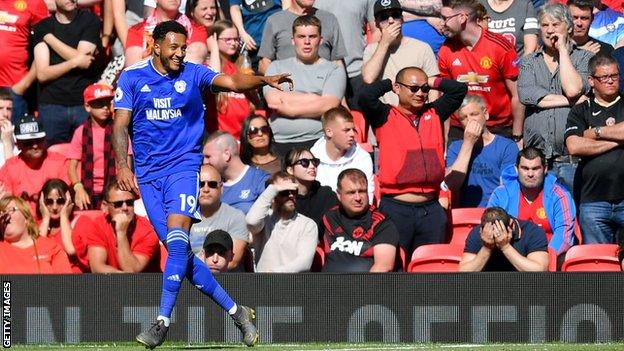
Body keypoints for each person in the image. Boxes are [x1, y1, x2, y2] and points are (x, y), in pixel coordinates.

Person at [113, 20, 290, 348]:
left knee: (179, 245)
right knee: (182, 256)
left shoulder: (194, 73)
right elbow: (120, 126)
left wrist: (263, 79)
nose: (180, 53)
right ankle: (238, 312)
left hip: (183, 168)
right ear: (155, 45)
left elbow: (233, 79)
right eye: (173, 47)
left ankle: (162, 321)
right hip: (149, 176)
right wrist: (123, 165)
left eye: (183, 47)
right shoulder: (133, 77)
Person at [358, 66, 467, 257]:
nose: (421, 93)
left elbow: (459, 89)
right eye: (414, 88)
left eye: (425, 89)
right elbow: (364, 97)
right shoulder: (384, 115)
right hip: (396, 208)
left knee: (429, 268)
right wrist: (388, 84)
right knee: (395, 270)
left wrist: (432, 82)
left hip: (431, 209)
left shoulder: (435, 112)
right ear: (398, 89)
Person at [518, 3, 593, 193]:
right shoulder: (528, 62)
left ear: (568, 27)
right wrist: (571, 102)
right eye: (544, 25)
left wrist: (563, 51)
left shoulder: (584, 58)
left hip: (571, 160)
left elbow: (573, 88)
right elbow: (528, 96)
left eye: (555, 24)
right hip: (538, 161)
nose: (550, 30)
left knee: (574, 214)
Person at [438, 0, 523, 142]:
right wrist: (444, 138)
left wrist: (517, 136)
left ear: (462, 18)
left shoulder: (500, 46)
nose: (442, 23)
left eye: (445, 18)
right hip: (460, 128)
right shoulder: (446, 50)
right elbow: (445, 98)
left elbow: (517, 95)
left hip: (498, 128)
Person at [263, 14, 346, 155]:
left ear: (320, 40)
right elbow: (274, 101)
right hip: (280, 143)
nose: (307, 42)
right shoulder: (275, 68)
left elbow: (329, 105)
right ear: (293, 40)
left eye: (312, 37)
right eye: (301, 37)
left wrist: (290, 108)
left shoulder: (334, 70)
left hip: (319, 141)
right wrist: (316, 97)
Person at [565, 53, 624, 245]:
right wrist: (617, 140)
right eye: (604, 77)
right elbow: (574, 146)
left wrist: (595, 132)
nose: (610, 81)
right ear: (591, 80)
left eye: (614, 76)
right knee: (598, 265)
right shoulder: (581, 109)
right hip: (593, 201)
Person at [488, 147, 576, 265]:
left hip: (549, 259)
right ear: (516, 169)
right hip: (509, 258)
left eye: (535, 169)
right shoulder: (501, 194)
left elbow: (564, 236)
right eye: (525, 168)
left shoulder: (560, 196)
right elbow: (490, 229)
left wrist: (544, 260)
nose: (530, 174)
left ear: (545, 169)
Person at [32, 0, 103, 146]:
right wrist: (74, 63)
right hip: (52, 106)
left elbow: (85, 59)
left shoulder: (90, 20)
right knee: (53, 159)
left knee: (86, 157)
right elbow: (42, 74)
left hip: (83, 104)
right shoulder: (43, 26)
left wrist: (50, 39)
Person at [445, 94, 518, 208]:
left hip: (496, 212)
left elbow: (508, 188)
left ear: (485, 113)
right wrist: (468, 143)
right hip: (465, 214)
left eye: (474, 114)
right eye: (464, 118)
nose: (469, 120)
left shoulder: (507, 147)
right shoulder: (455, 147)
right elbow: (452, 184)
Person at [362, 0, 440, 106]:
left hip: (417, 116)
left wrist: (431, 115)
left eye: (395, 15)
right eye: (384, 17)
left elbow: (433, 87)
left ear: (402, 19)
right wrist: (384, 43)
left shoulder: (422, 48)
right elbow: (368, 78)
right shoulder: (371, 50)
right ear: (376, 23)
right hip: (386, 116)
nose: (390, 21)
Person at [68, 83, 131, 211]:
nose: (105, 107)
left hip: (114, 187)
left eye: (108, 102)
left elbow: (126, 165)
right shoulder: (80, 132)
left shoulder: (119, 131)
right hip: (87, 190)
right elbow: (71, 167)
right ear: (87, 106)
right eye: (99, 103)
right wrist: (78, 187)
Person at [322, 169, 399, 273]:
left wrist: (362, 288)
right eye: (351, 192)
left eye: (362, 191)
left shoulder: (381, 222)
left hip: (365, 286)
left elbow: (383, 267)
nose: (358, 198)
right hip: (326, 285)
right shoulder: (329, 217)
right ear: (339, 195)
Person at [76, 180, 161, 273]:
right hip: (110, 284)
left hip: (145, 285)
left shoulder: (147, 230)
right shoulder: (98, 225)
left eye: (129, 203)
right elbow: (97, 267)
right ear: (105, 206)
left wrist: (121, 233)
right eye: (118, 204)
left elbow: (131, 270)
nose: (125, 208)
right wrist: (120, 278)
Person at [246, 171, 318, 272]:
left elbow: (304, 263)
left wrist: (275, 273)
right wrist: (273, 189)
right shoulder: (264, 220)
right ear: (272, 195)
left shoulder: (308, 225)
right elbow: (251, 222)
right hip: (263, 284)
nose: (291, 196)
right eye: (284, 192)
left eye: (293, 191)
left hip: (293, 285)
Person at [0, 116, 70, 214]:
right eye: (28, 143)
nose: (35, 146)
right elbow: (6, 204)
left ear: (45, 139)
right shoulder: (10, 167)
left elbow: (65, 200)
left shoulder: (60, 162)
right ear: (18, 144)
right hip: (23, 224)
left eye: (39, 140)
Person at [315, 0, 377, 109]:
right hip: (323, 75)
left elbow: (376, 30)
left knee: (363, 122)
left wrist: (370, 63)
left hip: (358, 71)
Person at [257, 0, 347, 74]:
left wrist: (337, 91)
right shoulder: (275, 21)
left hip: (323, 91)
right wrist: (284, 85)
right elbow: (264, 64)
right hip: (288, 92)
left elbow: (338, 62)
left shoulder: (329, 19)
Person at [189, 164, 249, 271]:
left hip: (227, 281)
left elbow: (232, 261)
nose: (205, 189)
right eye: (200, 184)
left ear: (221, 188)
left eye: (212, 184)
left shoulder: (236, 217)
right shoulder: (184, 217)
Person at [205, 20, 258, 139]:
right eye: (228, 39)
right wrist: (213, 49)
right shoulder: (209, 64)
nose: (233, 43)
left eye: (236, 39)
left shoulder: (241, 65)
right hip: (220, 135)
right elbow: (213, 78)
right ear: (214, 39)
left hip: (244, 135)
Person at [310, 106, 374, 201]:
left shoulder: (362, 157)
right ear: (329, 132)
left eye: (353, 129)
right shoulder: (311, 158)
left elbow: (367, 196)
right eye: (346, 130)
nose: (352, 134)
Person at [0, 0, 48, 124]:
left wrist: (23, 85)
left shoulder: (35, 3)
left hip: (13, 87)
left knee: (13, 139)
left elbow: (46, 46)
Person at [459, 206, 549, 271]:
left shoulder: (532, 232)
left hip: (523, 288)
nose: (495, 238)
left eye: (499, 233)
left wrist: (505, 247)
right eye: (491, 235)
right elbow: (463, 273)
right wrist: (487, 248)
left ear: (511, 225)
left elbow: (539, 271)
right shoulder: (479, 233)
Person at [0, 196, 73, 274]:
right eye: (0, 214)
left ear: (26, 218)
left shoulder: (51, 247)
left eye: (10, 210)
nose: (4, 216)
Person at [203, 131, 270, 214]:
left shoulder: (260, 180)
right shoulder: (209, 185)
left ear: (226, 155)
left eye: (208, 157)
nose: (204, 162)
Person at [125, 0, 208, 67]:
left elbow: (194, 61)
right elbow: (134, 67)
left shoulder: (196, 29)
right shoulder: (137, 31)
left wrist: (153, 60)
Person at [284, 147, 338, 240]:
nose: (312, 166)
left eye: (314, 162)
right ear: (290, 170)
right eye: (304, 162)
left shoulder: (326, 195)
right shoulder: (283, 198)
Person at [37, 179, 89, 273]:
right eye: (49, 201)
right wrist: (45, 219)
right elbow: (36, 253)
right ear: (42, 202)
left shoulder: (81, 221)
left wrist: (64, 216)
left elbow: (71, 249)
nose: (55, 207)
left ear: (68, 201)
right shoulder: (37, 226)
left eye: (60, 201)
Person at [229, 0, 286, 71]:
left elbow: (287, 2)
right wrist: (242, 33)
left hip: (277, 38)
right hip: (253, 42)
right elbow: (235, 7)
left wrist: (284, 27)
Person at [0, 89, 17, 167]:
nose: (5, 114)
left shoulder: (17, 135)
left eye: (9, 109)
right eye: (0, 108)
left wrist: (7, 142)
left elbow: (12, 172)